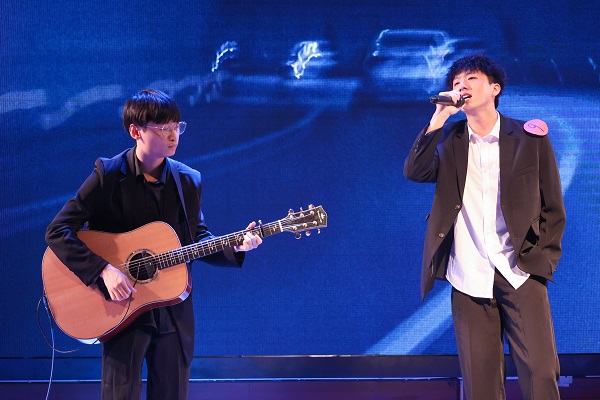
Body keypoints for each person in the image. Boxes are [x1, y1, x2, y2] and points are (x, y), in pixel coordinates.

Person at [45, 89, 262, 400]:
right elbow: (58, 230)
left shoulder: (188, 180)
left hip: (173, 310)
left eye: (177, 126)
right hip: (122, 308)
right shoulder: (108, 175)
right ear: (136, 131)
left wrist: (235, 247)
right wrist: (103, 270)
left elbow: (196, 238)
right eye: (163, 128)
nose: (173, 135)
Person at [403, 54, 566, 400]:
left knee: (540, 371)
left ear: (495, 88)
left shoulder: (529, 138)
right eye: (456, 82)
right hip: (468, 275)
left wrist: (543, 260)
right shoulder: (449, 140)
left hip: (519, 271)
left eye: (471, 79)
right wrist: (439, 117)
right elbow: (415, 171)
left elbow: (553, 207)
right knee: (481, 383)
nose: (461, 86)